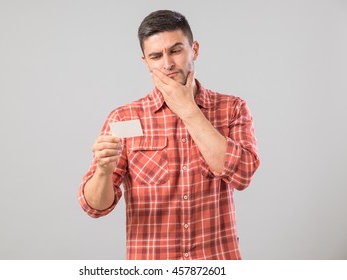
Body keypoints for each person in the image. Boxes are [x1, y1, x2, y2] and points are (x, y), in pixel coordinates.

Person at [78, 10, 260, 260]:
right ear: (145, 62)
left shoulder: (232, 108)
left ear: (194, 50)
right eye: (156, 56)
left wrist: (189, 111)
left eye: (176, 51)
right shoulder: (124, 118)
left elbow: (243, 174)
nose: (167, 64)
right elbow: (94, 208)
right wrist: (103, 171)